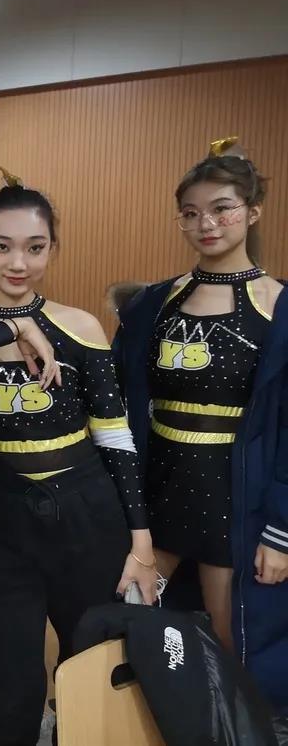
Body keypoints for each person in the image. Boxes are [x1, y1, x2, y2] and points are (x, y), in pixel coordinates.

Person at [0, 171, 155, 746]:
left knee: (92, 663)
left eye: (35, 247)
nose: (17, 263)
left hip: (88, 509)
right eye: (1, 246)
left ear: (52, 249)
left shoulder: (80, 325)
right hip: (6, 512)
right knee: (5, 675)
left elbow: (116, 439)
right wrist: (14, 327)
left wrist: (142, 544)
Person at [113, 138, 288, 714]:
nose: (206, 223)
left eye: (222, 208)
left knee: (230, 636)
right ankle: (157, 720)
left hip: (233, 493)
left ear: (253, 212)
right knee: (138, 617)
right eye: (190, 213)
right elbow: (113, 396)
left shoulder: (279, 307)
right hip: (158, 487)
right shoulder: (152, 304)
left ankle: (233, 727)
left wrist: (282, 530)